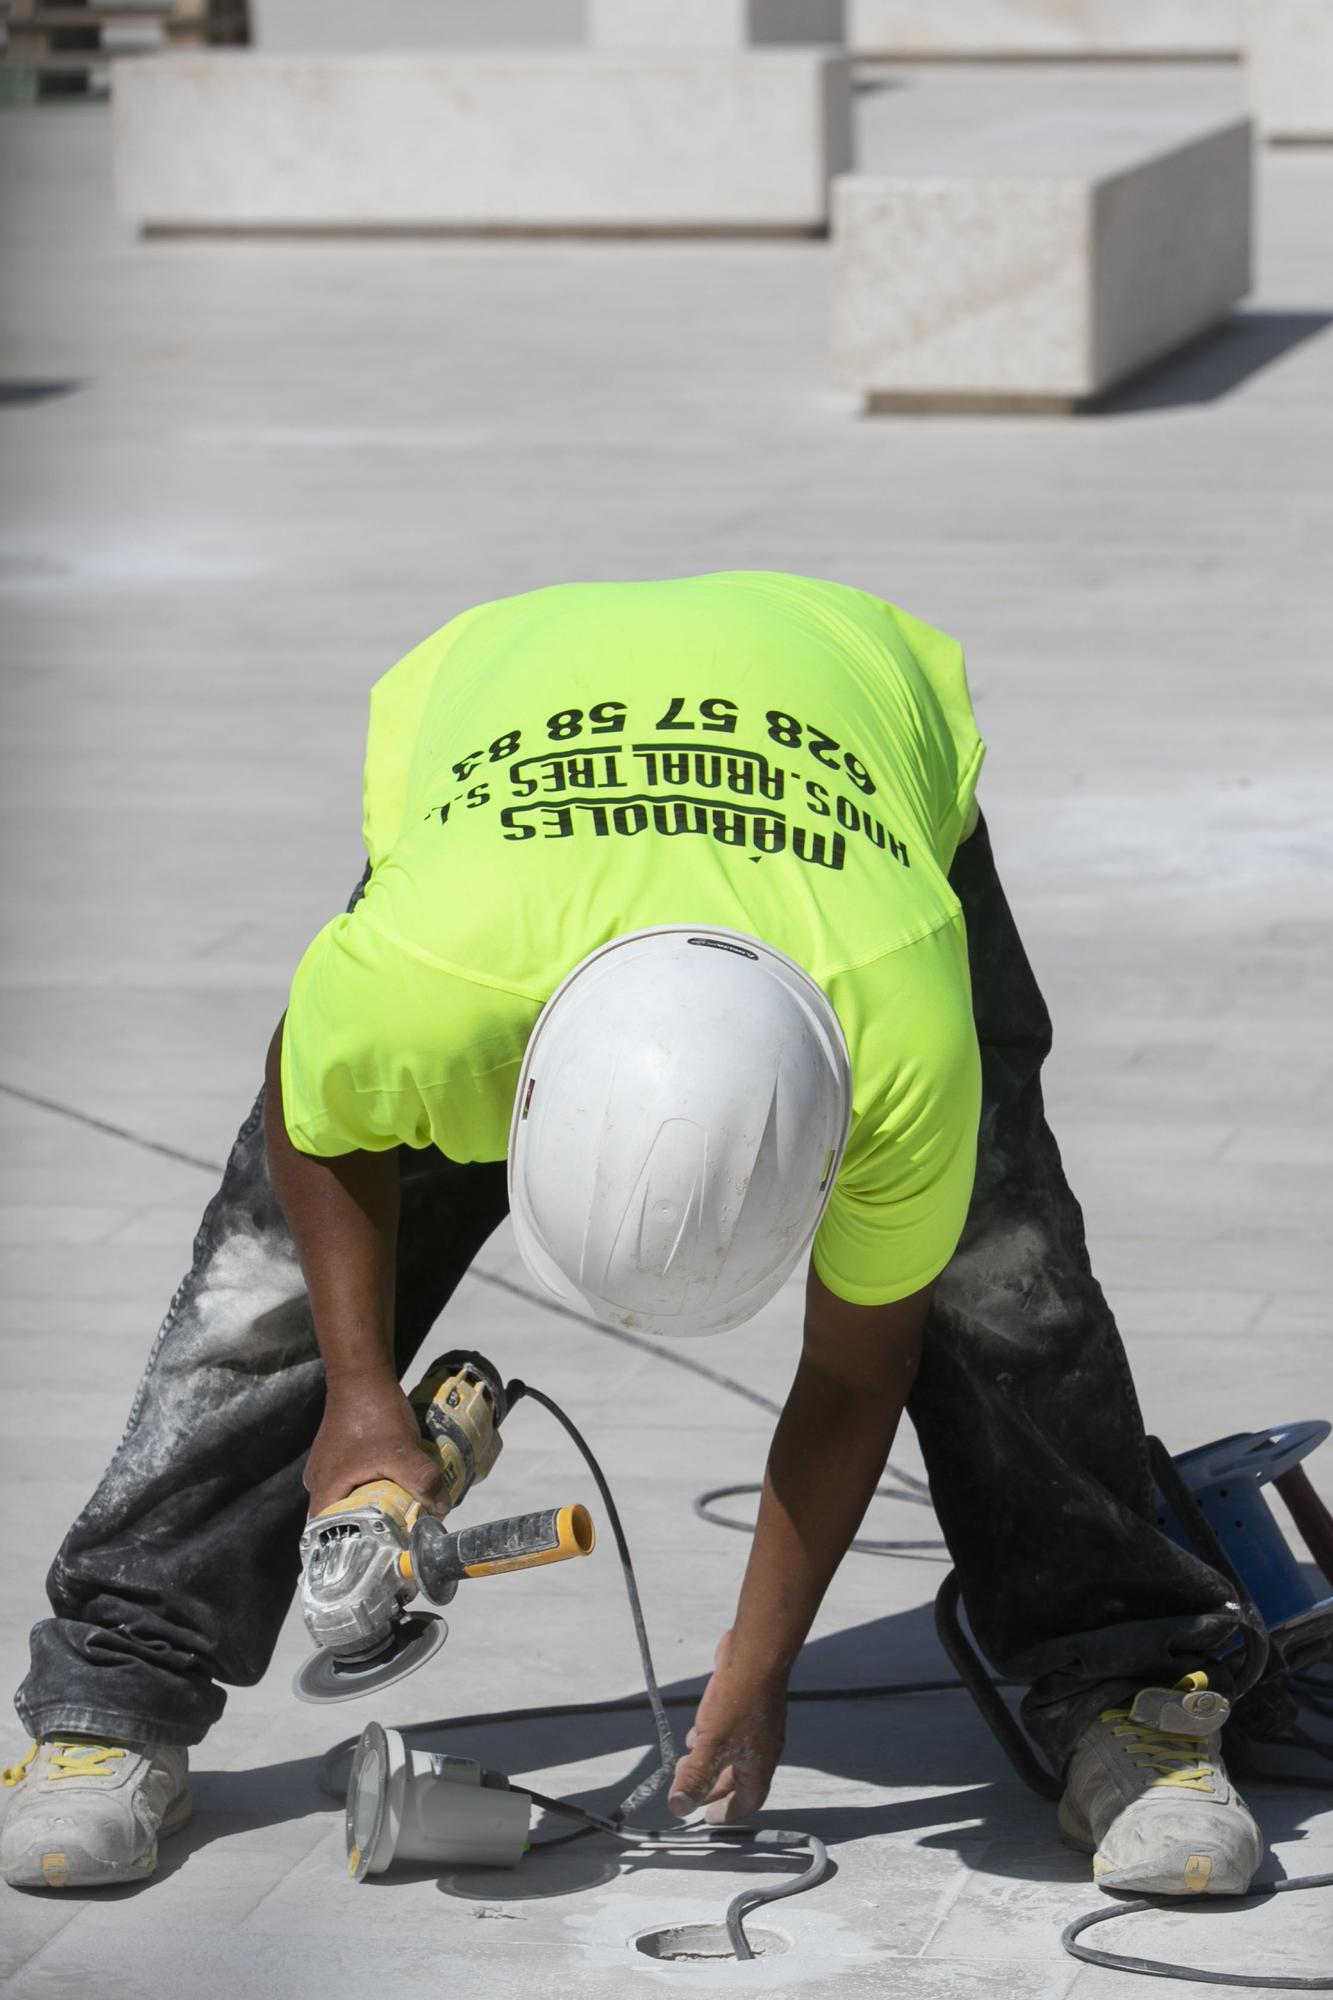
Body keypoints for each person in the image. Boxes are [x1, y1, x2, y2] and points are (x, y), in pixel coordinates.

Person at [2, 572, 1259, 1898]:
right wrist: (361, 1405)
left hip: (837, 715)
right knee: (264, 1289)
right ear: (515, 1104)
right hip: (502, 727)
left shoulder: (896, 1028)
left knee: (1002, 1277)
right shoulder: (431, 987)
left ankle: (1133, 1693)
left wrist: (757, 1666)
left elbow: (851, 1373)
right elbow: (315, 1119)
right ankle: (111, 1697)